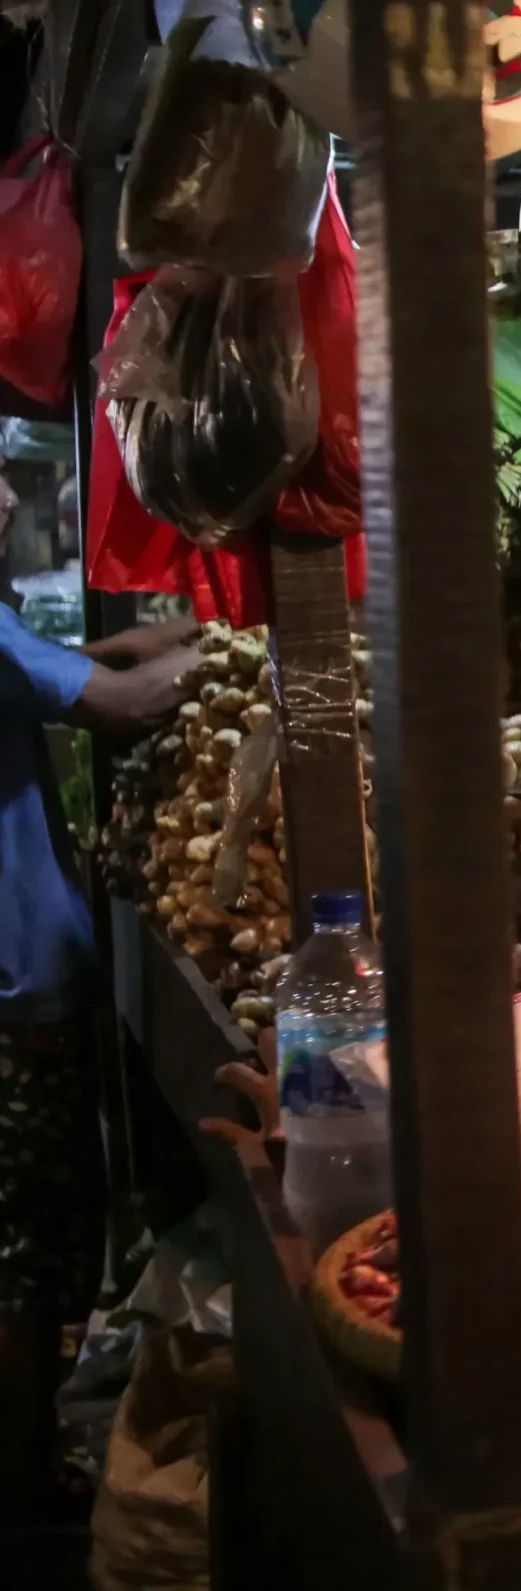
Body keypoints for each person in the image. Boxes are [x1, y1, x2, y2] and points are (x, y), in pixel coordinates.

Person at [0, 474, 199, 1514]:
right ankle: (23, 1482)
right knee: (31, 1248)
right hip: (14, 988)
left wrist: (178, 635)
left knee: (39, 1236)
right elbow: (114, 703)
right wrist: (228, 657)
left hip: (26, 977)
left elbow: (72, 670)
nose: (0, 497)